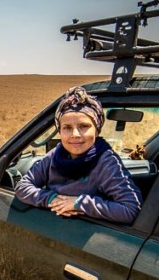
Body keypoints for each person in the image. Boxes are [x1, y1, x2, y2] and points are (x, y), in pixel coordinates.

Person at [15, 86, 142, 224]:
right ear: (60, 131)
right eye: (67, 128)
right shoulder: (56, 155)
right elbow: (22, 186)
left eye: (83, 126)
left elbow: (131, 209)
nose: (75, 135)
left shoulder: (106, 162)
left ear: (96, 130)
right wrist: (52, 199)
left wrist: (80, 203)